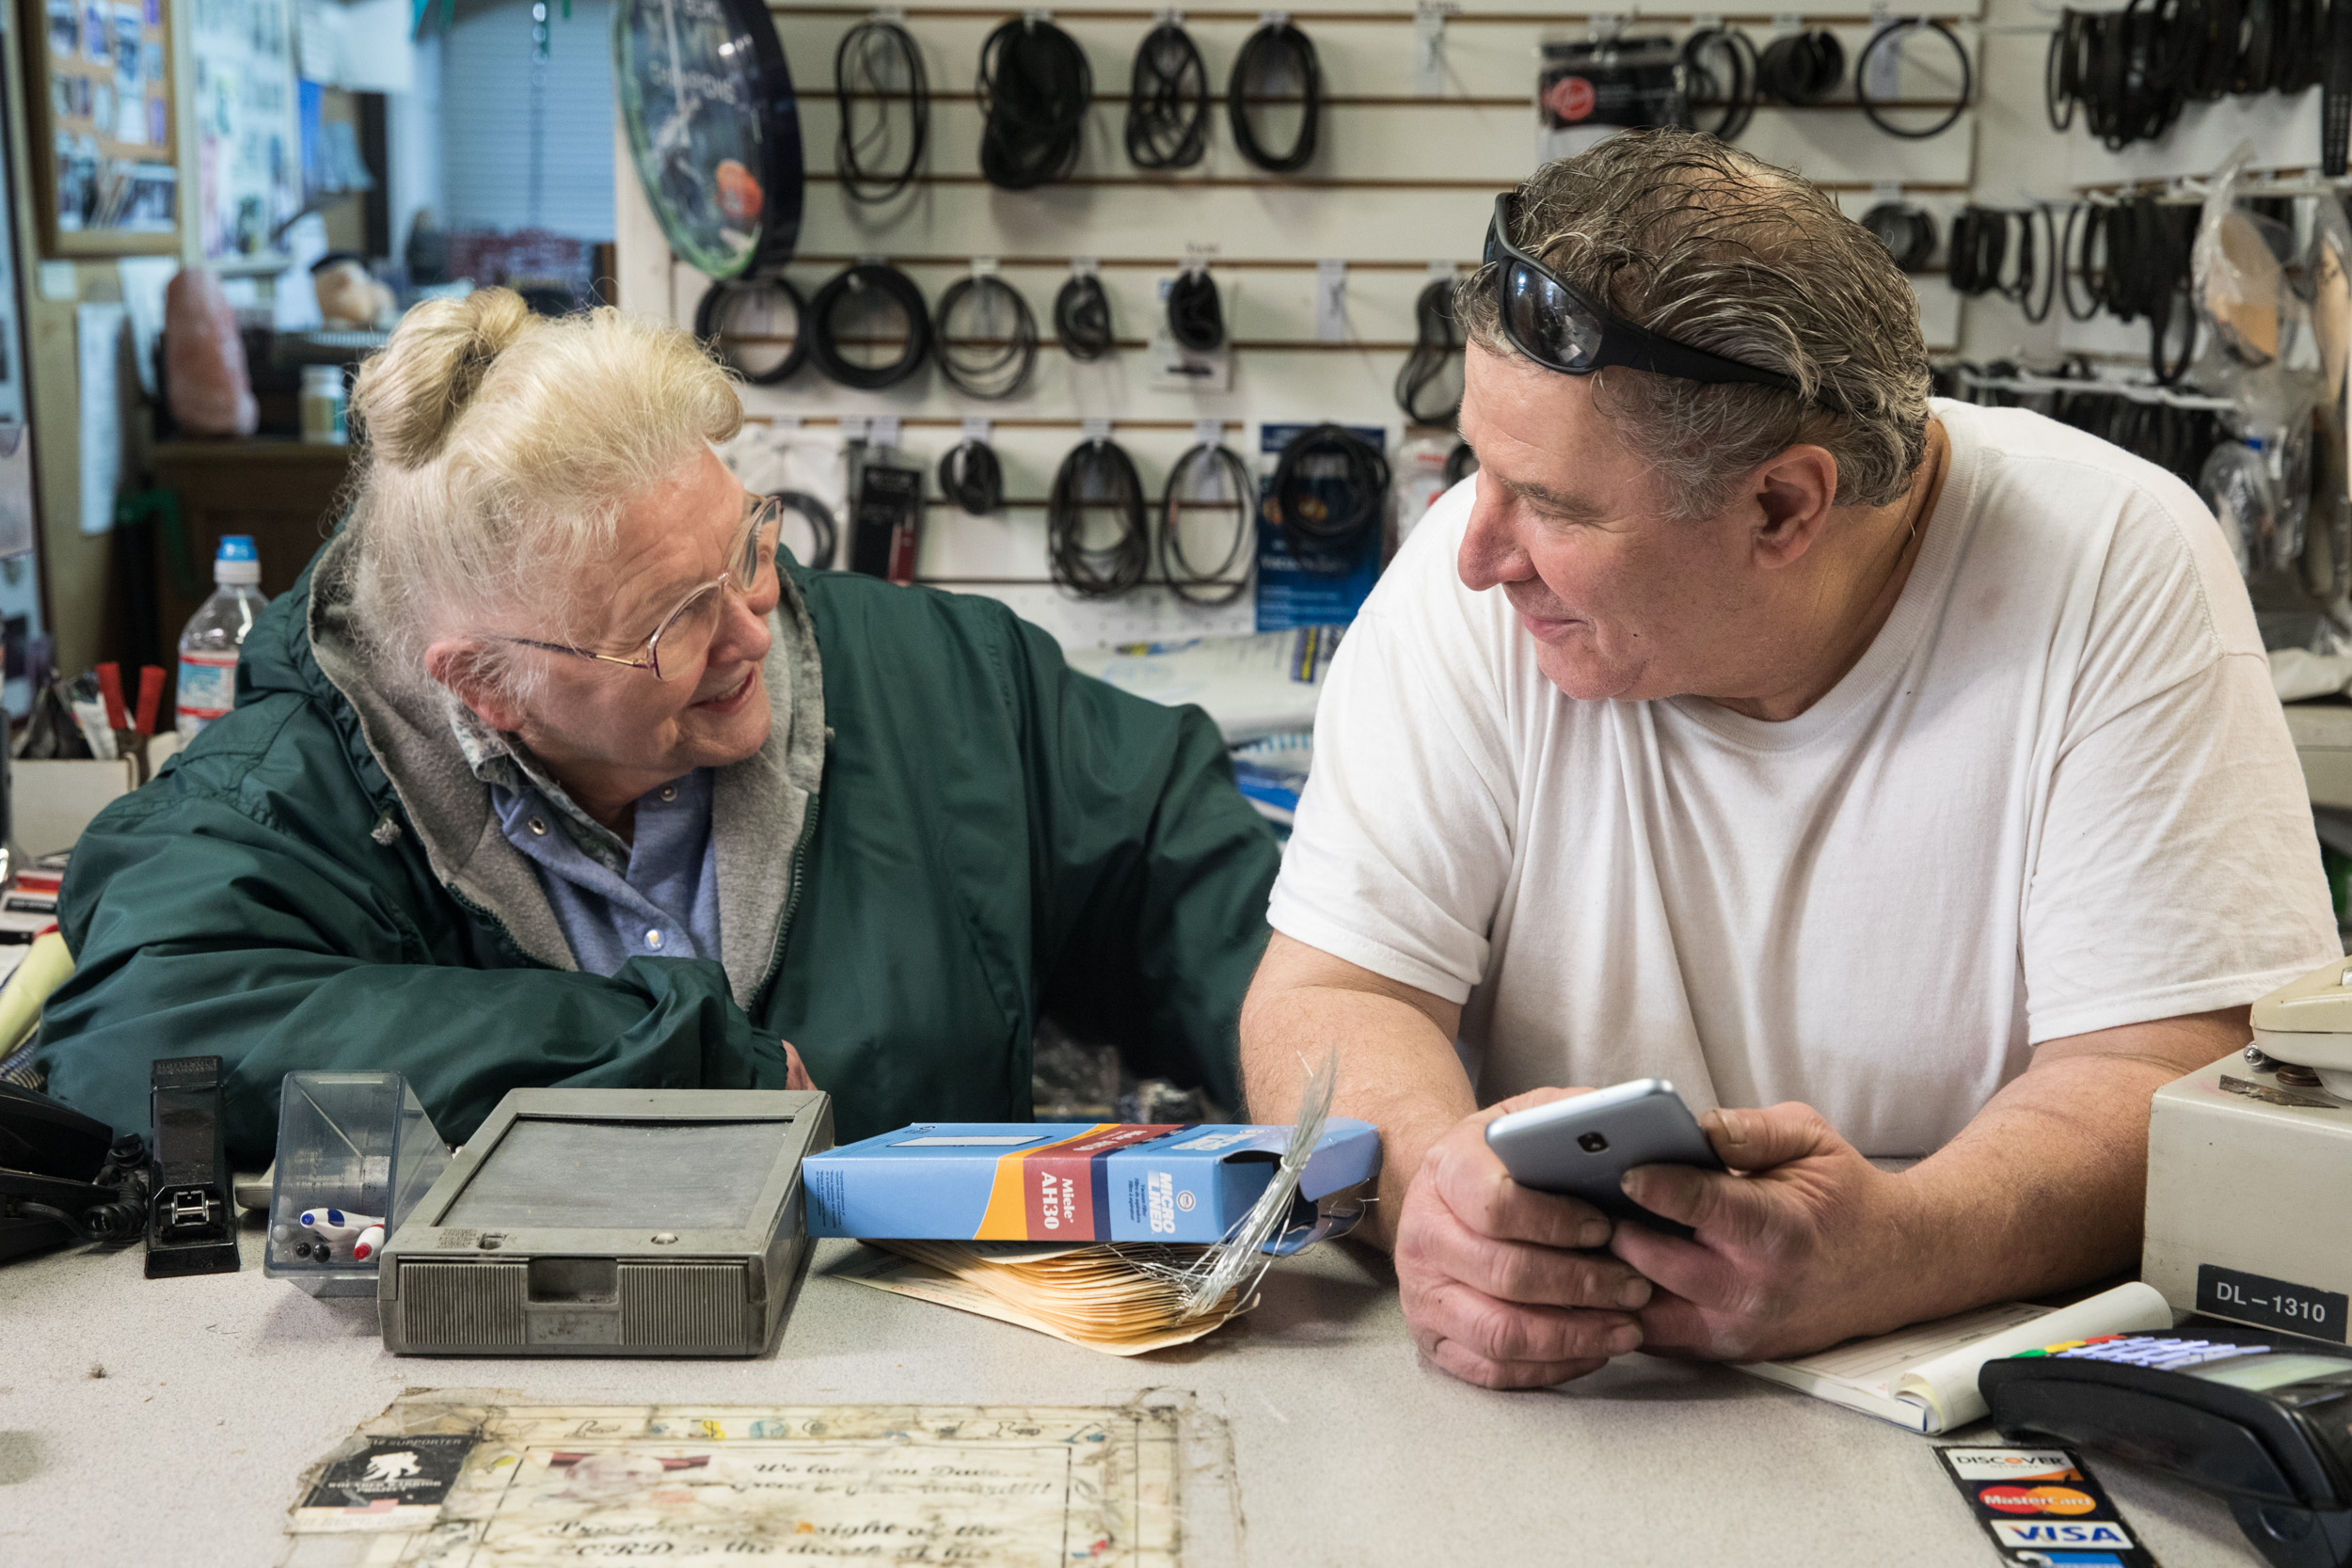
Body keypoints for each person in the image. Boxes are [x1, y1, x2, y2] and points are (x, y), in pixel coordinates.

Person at [1241, 131, 2341, 1389]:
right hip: (1566, 1410)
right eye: (1479, 466)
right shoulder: (1473, 594)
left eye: (1554, 505)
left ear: (1783, 507)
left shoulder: (2111, 568)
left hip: (1964, 1400)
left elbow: (2172, 1070)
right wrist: (1429, 1201)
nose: (1477, 551)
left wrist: (1910, 1246)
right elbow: (1333, 995)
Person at [38, 291, 1279, 1164]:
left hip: (921, 1396)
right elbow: (133, 1039)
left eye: (750, 544)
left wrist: (1349, 1074)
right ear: (485, 683)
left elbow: (1197, 875)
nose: (752, 632)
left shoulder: (954, 690)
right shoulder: (299, 788)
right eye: (670, 623)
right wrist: (656, 1059)